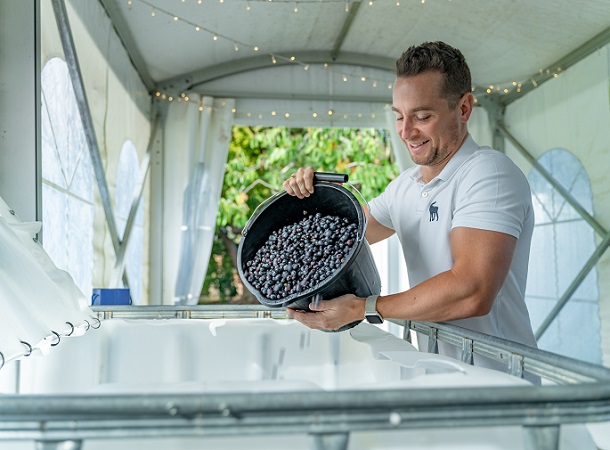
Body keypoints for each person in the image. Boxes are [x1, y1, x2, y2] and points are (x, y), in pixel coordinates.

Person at [282, 41, 538, 376]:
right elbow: (343, 238)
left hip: (499, 384)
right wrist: (310, 197)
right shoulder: (406, 186)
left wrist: (364, 308)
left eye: (422, 116)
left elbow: (471, 291)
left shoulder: (488, 174)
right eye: (400, 117)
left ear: (463, 108)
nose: (405, 132)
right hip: (440, 373)